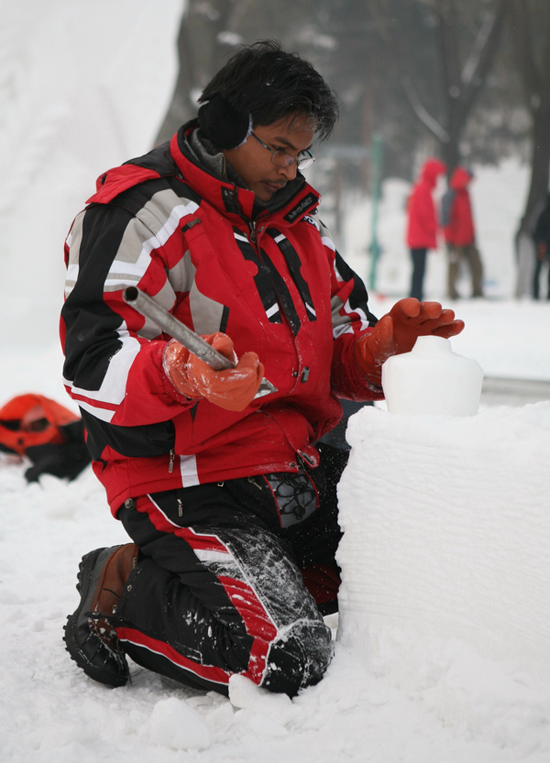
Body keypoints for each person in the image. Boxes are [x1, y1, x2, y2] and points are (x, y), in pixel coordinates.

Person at [61, 41, 464, 696]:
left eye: (300, 153)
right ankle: (129, 586)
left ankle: (213, 576)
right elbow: (89, 365)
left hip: (291, 467)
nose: (289, 167)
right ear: (224, 127)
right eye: (278, 147)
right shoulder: (143, 214)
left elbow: (337, 360)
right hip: (187, 479)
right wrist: (183, 373)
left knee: (409, 563)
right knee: (287, 655)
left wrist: (382, 348)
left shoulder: (300, 227)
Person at [0, 393, 90, 483]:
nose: (41, 428)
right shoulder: (38, 448)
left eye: (43, 422)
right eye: (34, 426)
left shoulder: (70, 428)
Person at [406, 158, 447, 301]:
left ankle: (416, 296)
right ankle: (415, 297)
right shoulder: (423, 189)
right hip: (419, 238)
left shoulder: (422, 188)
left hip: (417, 237)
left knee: (419, 270)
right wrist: (434, 228)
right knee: (419, 270)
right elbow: (424, 213)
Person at [441, 166, 484, 300]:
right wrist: (448, 241)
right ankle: (452, 293)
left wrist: (472, 235)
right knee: (454, 267)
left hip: (468, 239)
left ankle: (477, 291)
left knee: (477, 266)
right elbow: (445, 219)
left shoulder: (465, 195)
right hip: (455, 239)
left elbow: (469, 219)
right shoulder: (450, 196)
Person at [532, 194, 550, 300]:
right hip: (542, 244)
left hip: (544, 243)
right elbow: (538, 231)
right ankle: (535, 294)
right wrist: (540, 244)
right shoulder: (545, 213)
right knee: (538, 268)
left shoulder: (543, 211)